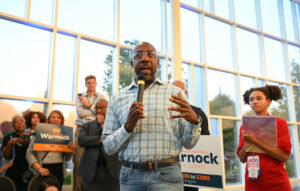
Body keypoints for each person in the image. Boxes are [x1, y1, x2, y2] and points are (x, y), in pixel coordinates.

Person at [102, 42, 201, 191]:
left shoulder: (175, 94)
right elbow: (108, 147)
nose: (145, 59)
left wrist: (194, 121)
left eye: (151, 55)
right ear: (132, 63)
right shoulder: (117, 98)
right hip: (130, 177)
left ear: (158, 62)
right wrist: (127, 127)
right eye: (138, 55)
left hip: (167, 176)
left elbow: (189, 143)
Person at [237, 85, 292, 191]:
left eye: (259, 98)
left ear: (268, 101)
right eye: (251, 99)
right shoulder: (244, 126)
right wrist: (247, 143)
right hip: (252, 183)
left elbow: (283, 156)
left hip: (277, 183)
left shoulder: (279, 123)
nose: (254, 102)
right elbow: (242, 159)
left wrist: (255, 141)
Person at [78, 98, 122, 191]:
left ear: (109, 108)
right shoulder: (87, 125)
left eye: (102, 108)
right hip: (91, 171)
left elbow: (118, 141)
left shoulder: (117, 125)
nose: (98, 110)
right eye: (97, 108)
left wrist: (103, 124)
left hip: (111, 171)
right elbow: (82, 140)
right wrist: (99, 140)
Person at [26, 110, 76, 189]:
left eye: (59, 117)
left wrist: (71, 150)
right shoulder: (39, 132)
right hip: (43, 167)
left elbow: (67, 158)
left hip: (59, 169)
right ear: (48, 120)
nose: (56, 119)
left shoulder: (66, 135)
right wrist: (39, 168)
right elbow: (29, 153)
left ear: (62, 120)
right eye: (53, 117)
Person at [73, 75, 105, 191]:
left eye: (93, 82)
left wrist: (87, 105)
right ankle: (77, 189)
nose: (91, 84)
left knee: (95, 159)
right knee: (78, 160)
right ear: (85, 84)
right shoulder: (80, 96)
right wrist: (93, 109)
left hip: (96, 129)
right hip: (81, 128)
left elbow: (102, 113)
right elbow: (80, 113)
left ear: (96, 84)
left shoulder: (101, 96)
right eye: (88, 82)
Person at [1, 115, 30, 191]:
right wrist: (10, 144)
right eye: (16, 122)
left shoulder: (31, 136)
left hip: (29, 172)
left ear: (25, 123)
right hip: (12, 173)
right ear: (13, 125)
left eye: (21, 121)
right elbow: (6, 156)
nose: (19, 123)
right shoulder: (8, 137)